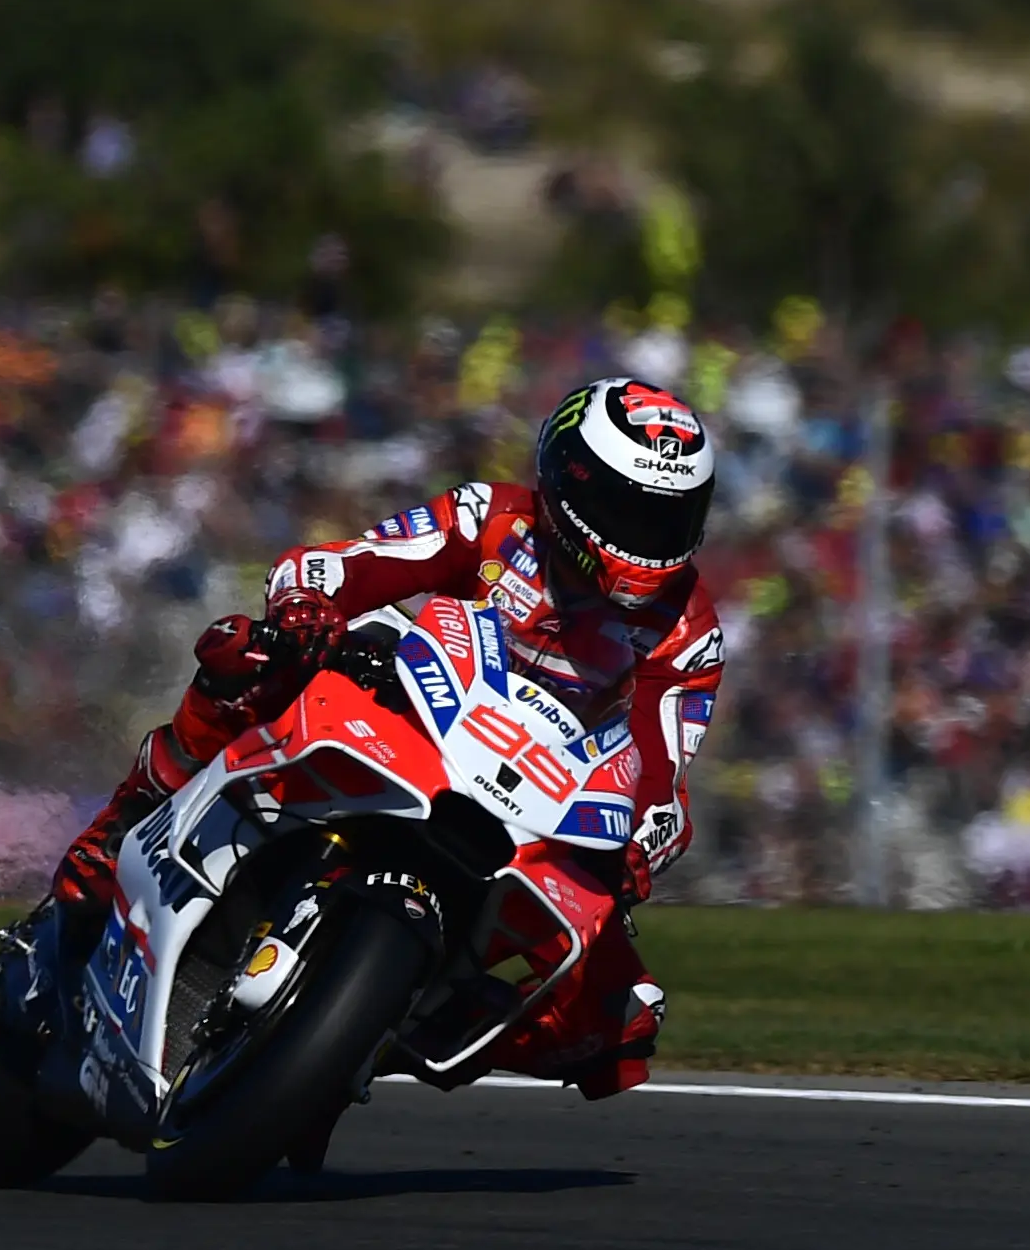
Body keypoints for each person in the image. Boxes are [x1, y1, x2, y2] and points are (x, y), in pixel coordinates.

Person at [51, 377, 724, 1106]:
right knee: (247, 658)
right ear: (569, 482)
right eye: (627, 510)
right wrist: (310, 604)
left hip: (533, 801)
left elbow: (660, 769)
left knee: (621, 1016)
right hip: (411, 710)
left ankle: (396, 1028)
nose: (645, 538)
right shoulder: (494, 520)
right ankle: (120, 824)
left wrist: (642, 841)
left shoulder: (688, 630)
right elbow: (346, 564)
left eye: (667, 517)